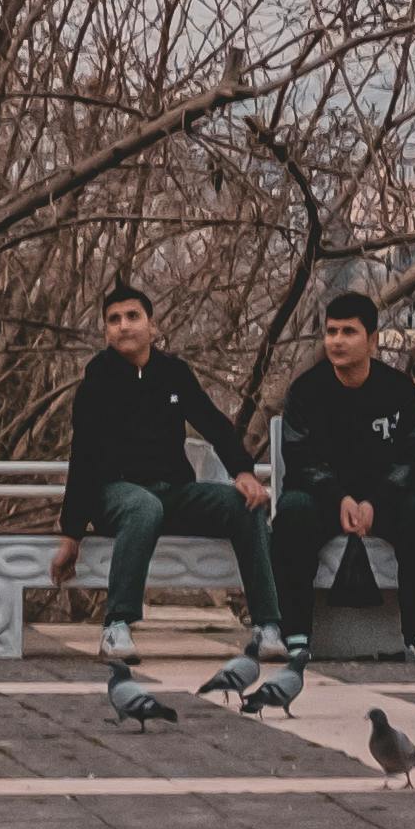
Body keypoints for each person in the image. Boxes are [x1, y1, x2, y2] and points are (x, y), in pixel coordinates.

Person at [46, 283, 286, 670]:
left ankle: (267, 628)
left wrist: (243, 472)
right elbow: (84, 455)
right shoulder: (98, 379)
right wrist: (72, 533)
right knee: (143, 506)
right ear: (106, 332)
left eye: (132, 317)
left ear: (152, 326)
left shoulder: (173, 373)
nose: (124, 326)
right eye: (114, 320)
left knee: (245, 503)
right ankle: (117, 625)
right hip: (116, 496)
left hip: (173, 494)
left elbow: (214, 423)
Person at [270, 282, 415, 663]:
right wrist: (340, 499)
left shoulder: (398, 391)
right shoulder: (306, 391)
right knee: (291, 516)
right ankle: (296, 633)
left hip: (388, 498)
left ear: (372, 340)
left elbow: (413, 456)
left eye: (348, 332)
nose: (337, 341)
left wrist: (375, 502)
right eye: (331, 331)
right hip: (321, 498)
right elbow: (299, 457)